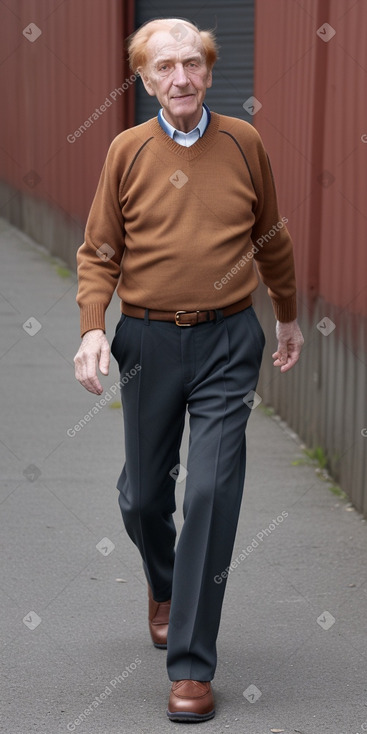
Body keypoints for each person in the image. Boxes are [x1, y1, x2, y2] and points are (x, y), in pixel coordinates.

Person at [74, 17, 304, 723]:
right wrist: (91, 329)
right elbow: (99, 250)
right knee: (145, 498)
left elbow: (270, 232)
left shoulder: (243, 142)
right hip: (145, 343)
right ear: (143, 80)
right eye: (164, 67)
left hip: (227, 342)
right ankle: (165, 585)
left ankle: (192, 666)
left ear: (206, 71)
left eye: (191, 64)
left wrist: (287, 314)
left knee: (208, 491)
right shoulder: (126, 150)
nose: (180, 78)